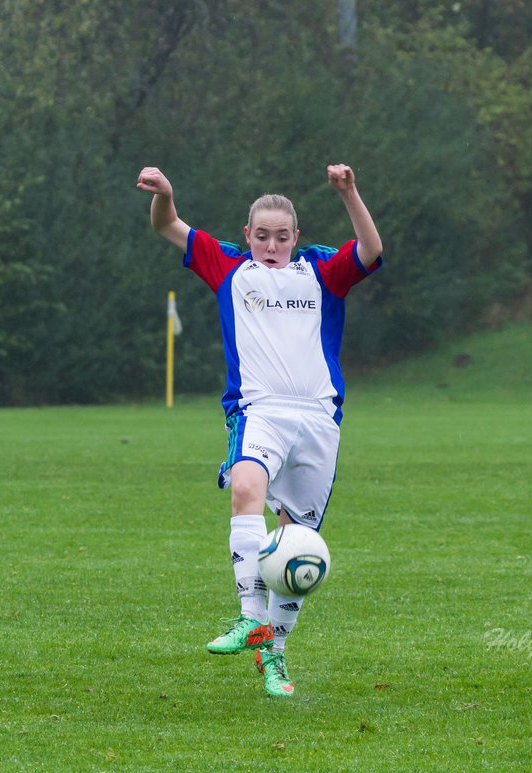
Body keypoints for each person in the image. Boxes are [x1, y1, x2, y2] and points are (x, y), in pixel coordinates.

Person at [136, 163, 383, 697]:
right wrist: (167, 193)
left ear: (297, 237)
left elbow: (369, 250)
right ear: (247, 236)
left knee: (300, 541)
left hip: (319, 419)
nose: (272, 244)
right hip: (258, 409)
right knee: (246, 486)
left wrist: (350, 193)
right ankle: (249, 616)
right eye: (263, 235)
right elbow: (167, 225)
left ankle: (276, 654)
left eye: (282, 236)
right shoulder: (228, 265)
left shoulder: (319, 272)